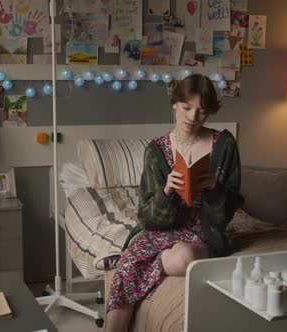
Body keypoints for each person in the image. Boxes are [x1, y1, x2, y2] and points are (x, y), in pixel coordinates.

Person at [104, 74, 243, 331]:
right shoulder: (156, 151)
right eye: (187, 107)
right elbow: (146, 217)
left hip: (202, 232)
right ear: (174, 104)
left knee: (185, 257)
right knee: (129, 266)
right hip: (161, 230)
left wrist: (215, 188)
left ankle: (142, 264)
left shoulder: (224, 146)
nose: (192, 117)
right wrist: (167, 191)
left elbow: (229, 209)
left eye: (202, 112)